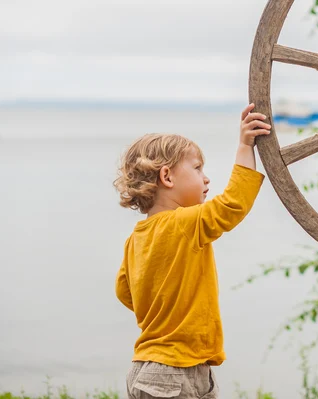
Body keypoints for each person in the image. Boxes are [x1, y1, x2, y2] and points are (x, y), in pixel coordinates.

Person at [114, 104, 270, 398]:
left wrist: (166, 305)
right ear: (167, 178)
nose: (206, 178)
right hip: (174, 373)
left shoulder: (135, 239)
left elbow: (125, 292)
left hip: (151, 368)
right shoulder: (185, 224)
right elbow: (232, 205)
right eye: (198, 168)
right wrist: (244, 146)